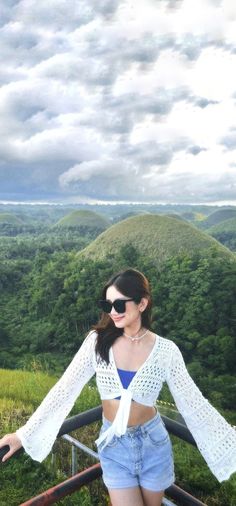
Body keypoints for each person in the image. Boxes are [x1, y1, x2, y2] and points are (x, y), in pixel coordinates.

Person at [0, 268, 236, 506]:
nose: (112, 312)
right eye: (107, 305)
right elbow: (64, 389)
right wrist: (24, 434)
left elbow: (193, 402)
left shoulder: (166, 351)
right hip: (115, 444)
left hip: (153, 443)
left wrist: (230, 441)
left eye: (120, 305)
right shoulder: (97, 342)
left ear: (142, 304)